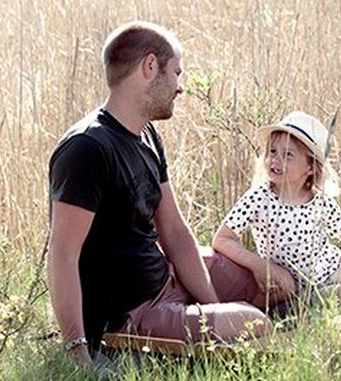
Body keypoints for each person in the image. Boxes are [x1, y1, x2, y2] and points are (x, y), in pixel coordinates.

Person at [47, 21, 271, 366]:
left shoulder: (146, 133)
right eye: (177, 72)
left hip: (165, 275)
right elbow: (63, 254)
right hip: (134, 310)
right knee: (256, 322)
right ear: (150, 66)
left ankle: (213, 321)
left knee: (266, 282)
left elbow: (175, 231)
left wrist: (209, 304)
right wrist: (78, 350)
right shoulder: (87, 149)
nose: (181, 87)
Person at [212, 111, 341, 306]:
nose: (276, 160)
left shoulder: (319, 201)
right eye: (272, 151)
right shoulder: (258, 198)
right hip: (302, 287)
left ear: (311, 168)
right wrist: (258, 265)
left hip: (337, 265)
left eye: (288, 155)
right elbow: (222, 239)